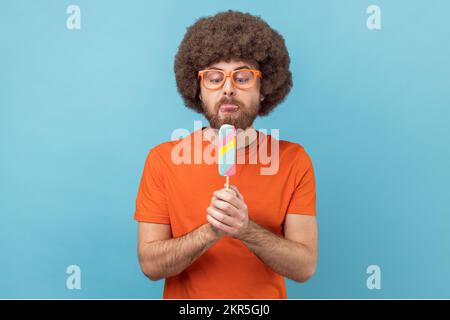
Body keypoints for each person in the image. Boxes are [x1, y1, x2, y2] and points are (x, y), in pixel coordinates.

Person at [134, 10, 317, 299]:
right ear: (197, 90)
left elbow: (304, 267)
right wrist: (211, 232)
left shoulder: (294, 160)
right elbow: (150, 266)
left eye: (243, 78)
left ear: (264, 89)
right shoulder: (163, 160)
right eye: (214, 78)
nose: (228, 89)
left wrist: (244, 229)